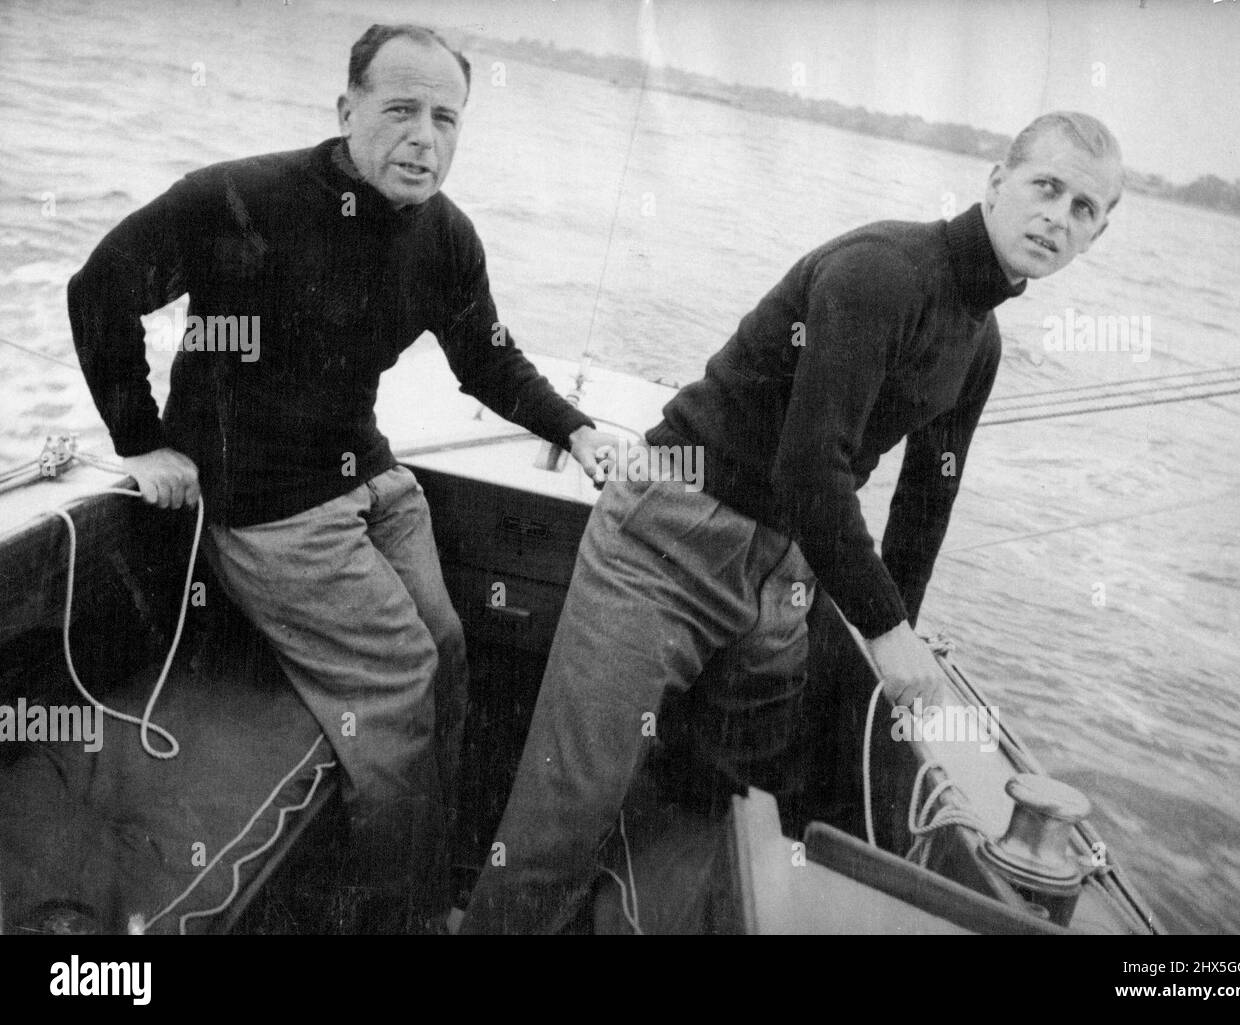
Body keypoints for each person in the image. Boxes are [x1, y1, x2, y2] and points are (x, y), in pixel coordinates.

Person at [462, 111, 1126, 933]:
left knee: (731, 809)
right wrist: (882, 628)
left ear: (1095, 237)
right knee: (564, 813)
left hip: (787, 572)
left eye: (1085, 209)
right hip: (669, 539)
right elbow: (810, 468)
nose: (1059, 217)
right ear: (996, 183)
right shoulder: (882, 272)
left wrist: (902, 634)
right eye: (1046, 187)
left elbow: (927, 498)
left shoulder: (979, 340)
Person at [67, 23, 617, 933]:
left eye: (447, 117)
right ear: (346, 108)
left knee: (447, 645)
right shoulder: (243, 197)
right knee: (398, 683)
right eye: (401, 109)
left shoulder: (445, 235)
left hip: (370, 475)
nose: (425, 138)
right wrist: (142, 440)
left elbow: (486, 359)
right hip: (269, 505)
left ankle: (434, 876)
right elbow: (100, 287)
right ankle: (398, 918)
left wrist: (577, 428)